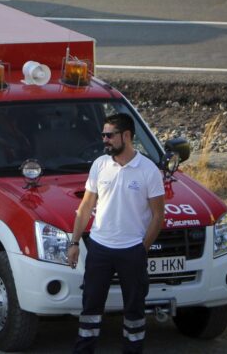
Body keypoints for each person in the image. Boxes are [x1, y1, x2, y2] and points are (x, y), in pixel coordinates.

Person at [67, 113, 165, 353]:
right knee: (90, 308)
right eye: (103, 135)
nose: (105, 140)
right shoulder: (100, 165)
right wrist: (75, 242)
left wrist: (140, 250)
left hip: (132, 251)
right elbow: (86, 207)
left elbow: (158, 216)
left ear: (127, 136)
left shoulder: (149, 170)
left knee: (134, 311)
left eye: (109, 135)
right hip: (99, 249)